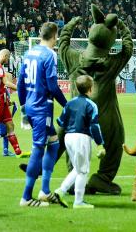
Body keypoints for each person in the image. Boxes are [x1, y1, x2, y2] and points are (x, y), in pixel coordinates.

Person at [17, 22, 68, 207]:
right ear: (55, 36)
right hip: (42, 107)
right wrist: (66, 105)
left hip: (31, 105)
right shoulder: (49, 55)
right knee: (39, 148)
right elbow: (53, 86)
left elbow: (20, 84)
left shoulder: (28, 53)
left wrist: (23, 108)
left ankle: (45, 191)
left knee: (53, 143)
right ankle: (26, 197)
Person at [54, 75, 106, 209]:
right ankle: (78, 201)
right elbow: (94, 126)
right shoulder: (91, 105)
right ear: (91, 88)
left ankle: (61, 191)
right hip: (81, 137)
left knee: (78, 168)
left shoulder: (70, 103)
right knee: (83, 170)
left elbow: (60, 122)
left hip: (68, 137)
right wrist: (100, 144)